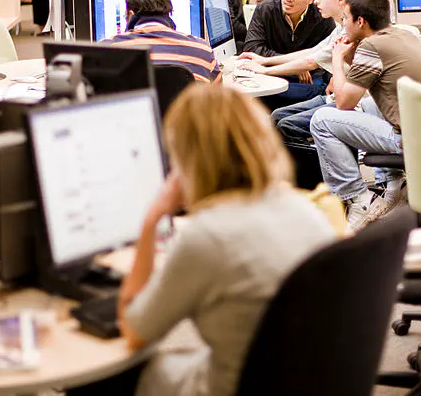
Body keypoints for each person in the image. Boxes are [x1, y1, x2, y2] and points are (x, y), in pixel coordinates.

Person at [115, 84, 336, 396]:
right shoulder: (302, 206)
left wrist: (151, 220)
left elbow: (135, 331)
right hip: (302, 379)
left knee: (113, 375)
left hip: (234, 386)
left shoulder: (205, 237)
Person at [310, 0, 421, 231]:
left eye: (345, 19)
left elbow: (344, 102)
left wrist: (336, 58)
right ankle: (395, 188)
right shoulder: (401, 35)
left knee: (322, 120)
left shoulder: (372, 47)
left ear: (360, 22)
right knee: (369, 103)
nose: (343, 25)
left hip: (411, 139)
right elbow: (367, 77)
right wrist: (348, 55)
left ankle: (359, 199)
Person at [239, 0, 357, 141]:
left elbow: (310, 62)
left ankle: (307, 166)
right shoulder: (341, 26)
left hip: (344, 102)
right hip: (332, 95)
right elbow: (311, 53)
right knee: (277, 115)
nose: (317, 1)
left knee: (286, 124)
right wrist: (265, 61)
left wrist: (265, 71)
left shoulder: (346, 28)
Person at [99, 0, 220, 83]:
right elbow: (216, 98)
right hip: (184, 112)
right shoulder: (202, 49)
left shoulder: (106, 50)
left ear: (131, 14)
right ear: (168, 13)